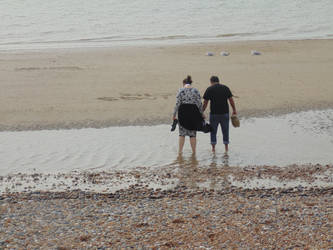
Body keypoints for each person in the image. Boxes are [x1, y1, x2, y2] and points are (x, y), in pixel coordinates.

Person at [203, 76, 237, 153]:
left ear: (211, 82)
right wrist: (234, 110)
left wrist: (201, 111)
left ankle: (213, 149)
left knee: (213, 131)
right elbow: (231, 100)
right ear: (218, 81)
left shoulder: (209, 89)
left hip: (214, 114)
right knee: (225, 131)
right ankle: (226, 148)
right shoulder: (225, 88)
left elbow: (205, 103)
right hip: (225, 113)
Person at [173, 75, 204, 154]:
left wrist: (174, 114)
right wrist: (201, 114)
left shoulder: (181, 90)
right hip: (193, 114)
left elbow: (177, 104)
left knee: (182, 134)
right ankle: (194, 152)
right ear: (191, 83)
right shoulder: (195, 91)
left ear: (183, 83)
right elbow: (199, 104)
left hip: (183, 114)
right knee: (192, 134)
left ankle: (180, 152)